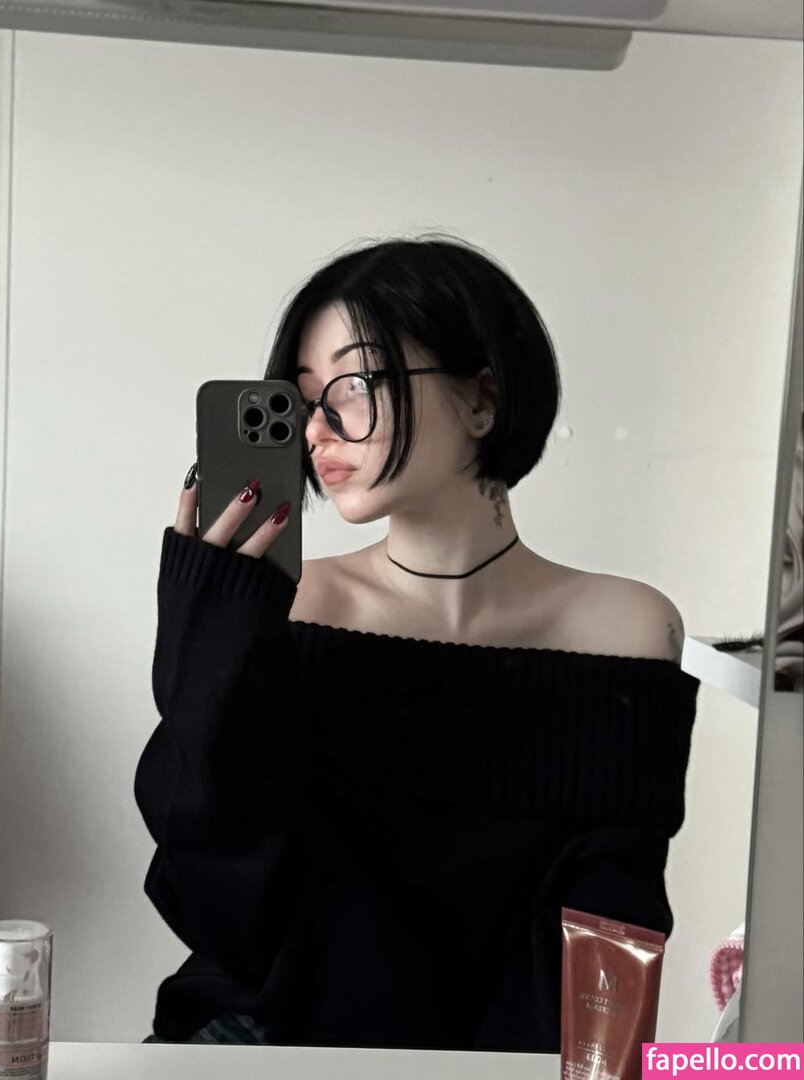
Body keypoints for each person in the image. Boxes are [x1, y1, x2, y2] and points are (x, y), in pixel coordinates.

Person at [134, 233, 700, 1050]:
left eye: (354, 384)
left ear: (482, 399)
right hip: (271, 1036)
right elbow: (211, 886)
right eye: (303, 399)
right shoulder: (290, 606)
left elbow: (614, 927)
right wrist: (208, 633)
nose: (318, 430)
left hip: (508, 1060)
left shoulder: (629, 628)